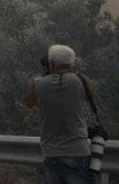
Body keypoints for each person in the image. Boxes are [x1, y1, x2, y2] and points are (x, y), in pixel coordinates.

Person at [25, 45, 94, 184]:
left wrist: (46, 75)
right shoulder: (80, 81)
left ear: (50, 63)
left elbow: (29, 103)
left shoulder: (38, 84)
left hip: (51, 152)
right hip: (78, 151)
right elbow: (89, 96)